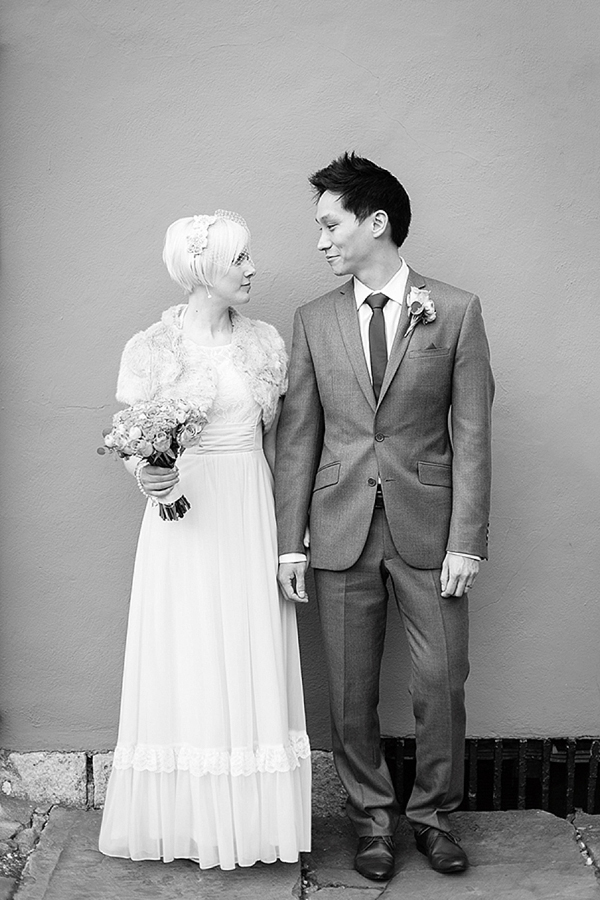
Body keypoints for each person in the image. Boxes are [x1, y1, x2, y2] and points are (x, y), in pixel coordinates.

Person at [275, 154, 493, 882]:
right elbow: (298, 439)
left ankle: (432, 817)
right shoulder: (312, 320)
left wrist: (468, 540)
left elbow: (472, 437)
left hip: (430, 531)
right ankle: (372, 821)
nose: (321, 241)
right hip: (337, 531)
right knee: (349, 692)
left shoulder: (456, 310)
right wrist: (289, 544)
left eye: (329, 224)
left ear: (376, 222)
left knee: (442, 681)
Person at [99, 210, 311, 870]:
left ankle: (248, 828)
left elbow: (284, 447)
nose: (251, 269)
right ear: (201, 269)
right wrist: (148, 474)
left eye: (249, 257)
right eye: (239, 258)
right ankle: (189, 824)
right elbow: (135, 438)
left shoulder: (267, 346)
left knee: (245, 652)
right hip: (183, 529)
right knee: (187, 653)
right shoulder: (149, 350)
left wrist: (289, 540)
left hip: (247, 516)